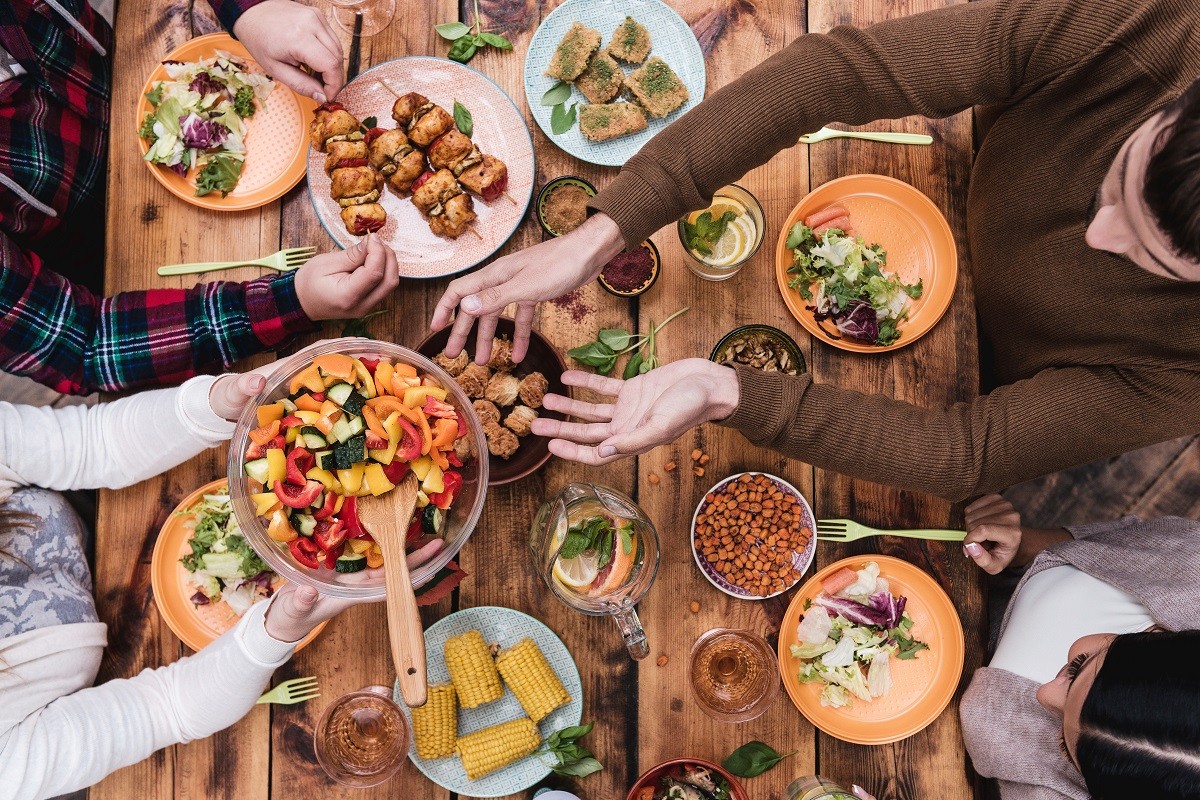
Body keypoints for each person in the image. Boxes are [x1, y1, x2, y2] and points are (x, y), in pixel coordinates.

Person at [434, 0, 1200, 502]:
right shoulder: (1153, 22)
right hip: (956, 174)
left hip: (1020, 371)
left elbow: (970, 453)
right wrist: (604, 230)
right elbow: (834, 74)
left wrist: (729, 392)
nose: (1094, 238)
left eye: (1151, 259)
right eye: (1120, 178)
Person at [0, 357, 442, 799]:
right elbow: (167, 710)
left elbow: (92, 443)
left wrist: (211, 405)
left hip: (82, 512)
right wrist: (275, 630)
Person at [0, 0, 400, 396]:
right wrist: (291, 302)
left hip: (118, 75)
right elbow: (81, 346)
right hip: (70, 247)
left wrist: (249, 10)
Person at [957, 494, 1200, 799]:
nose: (1043, 695)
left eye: (1064, 747)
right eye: (1078, 666)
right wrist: (1023, 547)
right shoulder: (1193, 565)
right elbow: (1121, 538)